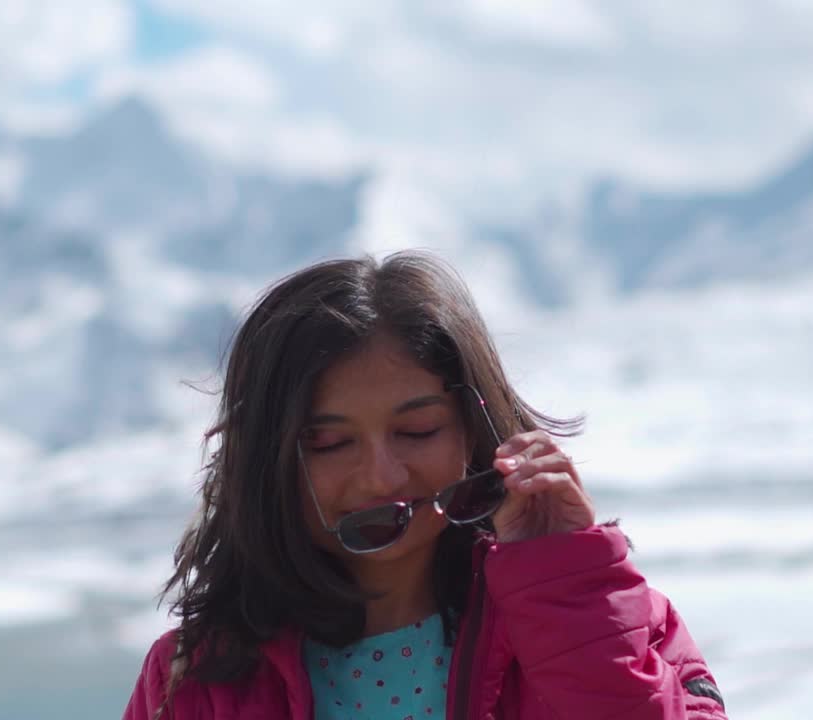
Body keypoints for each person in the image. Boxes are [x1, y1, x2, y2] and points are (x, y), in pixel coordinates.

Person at [123, 251, 727, 719]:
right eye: (329, 443)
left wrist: (564, 585)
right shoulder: (195, 679)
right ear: (264, 462)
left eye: (417, 429)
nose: (383, 475)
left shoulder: (611, 620)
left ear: (474, 429)